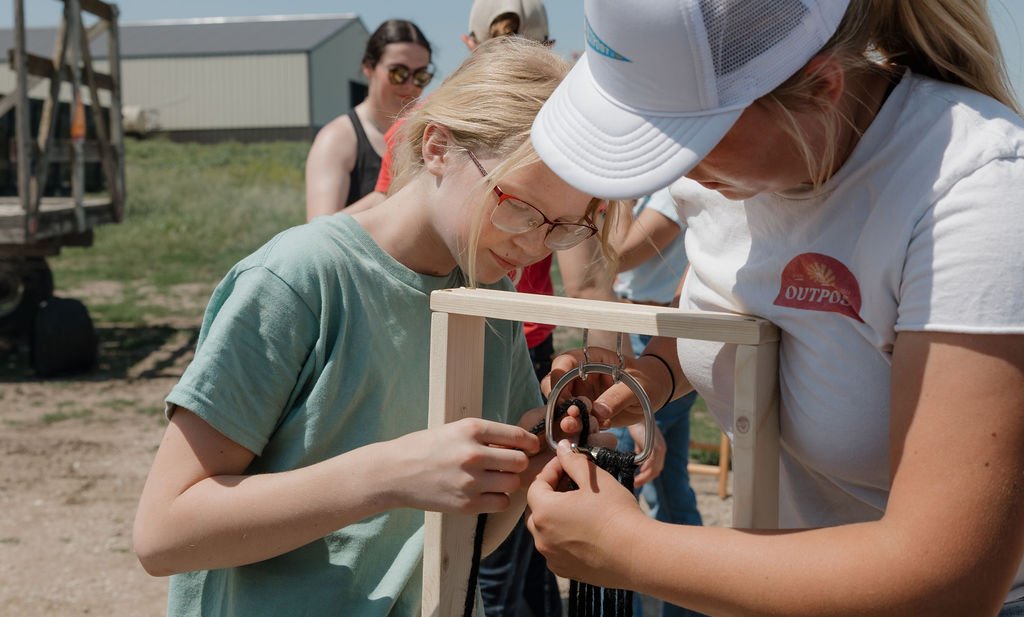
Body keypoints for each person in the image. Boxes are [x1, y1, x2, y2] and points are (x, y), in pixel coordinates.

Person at [525, 1, 1024, 616]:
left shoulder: (978, 192)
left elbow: (953, 581)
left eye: (687, 137)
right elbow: (733, 307)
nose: (674, 167)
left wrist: (630, 548)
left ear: (821, 87)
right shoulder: (723, 169)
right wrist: (645, 379)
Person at [133, 37, 619, 617]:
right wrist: (389, 474)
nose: (534, 244)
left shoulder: (489, 300)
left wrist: (541, 455)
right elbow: (163, 533)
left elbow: (463, 539)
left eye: (562, 228)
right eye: (518, 207)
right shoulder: (300, 277)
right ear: (438, 146)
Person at [607, 185, 706, 617]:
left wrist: (619, 193)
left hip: (661, 335)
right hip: (643, 329)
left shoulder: (669, 189)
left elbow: (617, 253)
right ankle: (695, 602)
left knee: (623, 483)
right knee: (668, 486)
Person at [304, 19, 432, 220]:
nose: (409, 85)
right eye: (398, 73)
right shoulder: (338, 138)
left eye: (421, 76)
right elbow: (318, 230)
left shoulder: (430, 133)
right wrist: (383, 195)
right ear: (368, 68)